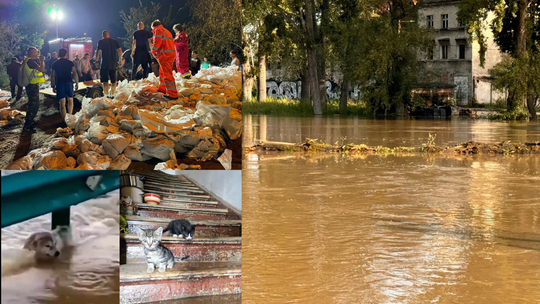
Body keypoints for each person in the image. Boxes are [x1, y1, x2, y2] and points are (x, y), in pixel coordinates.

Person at [51, 48, 78, 124]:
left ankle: (64, 120)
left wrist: (52, 85)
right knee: (70, 100)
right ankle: (70, 116)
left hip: (60, 83)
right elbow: (75, 73)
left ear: (59, 54)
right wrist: (76, 83)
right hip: (69, 82)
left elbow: (52, 76)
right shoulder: (70, 63)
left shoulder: (55, 63)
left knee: (62, 103)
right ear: (66, 54)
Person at [152, 20, 178, 99]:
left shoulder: (158, 30)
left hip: (164, 55)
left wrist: (153, 51)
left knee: (167, 74)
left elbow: (157, 42)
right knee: (162, 72)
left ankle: (172, 94)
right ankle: (162, 89)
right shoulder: (167, 31)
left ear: (154, 27)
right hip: (170, 54)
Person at [22, 47, 46, 131]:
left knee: (33, 104)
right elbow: (41, 69)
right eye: (36, 52)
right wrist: (42, 60)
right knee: (34, 105)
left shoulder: (27, 61)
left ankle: (30, 120)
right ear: (32, 53)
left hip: (30, 84)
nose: (37, 54)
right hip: (32, 85)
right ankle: (27, 125)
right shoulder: (30, 61)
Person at [95, 30, 122, 98]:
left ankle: (106, 95)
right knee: (113, 81)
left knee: (105, 81)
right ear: (109, 35)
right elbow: (120, 50)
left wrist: (97, 61)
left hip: (105, 64)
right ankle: (113, 95)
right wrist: (120, 60)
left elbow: (98, 52)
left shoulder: (101, 42)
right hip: (113, 64)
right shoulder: (114, 41)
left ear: (102, 36)